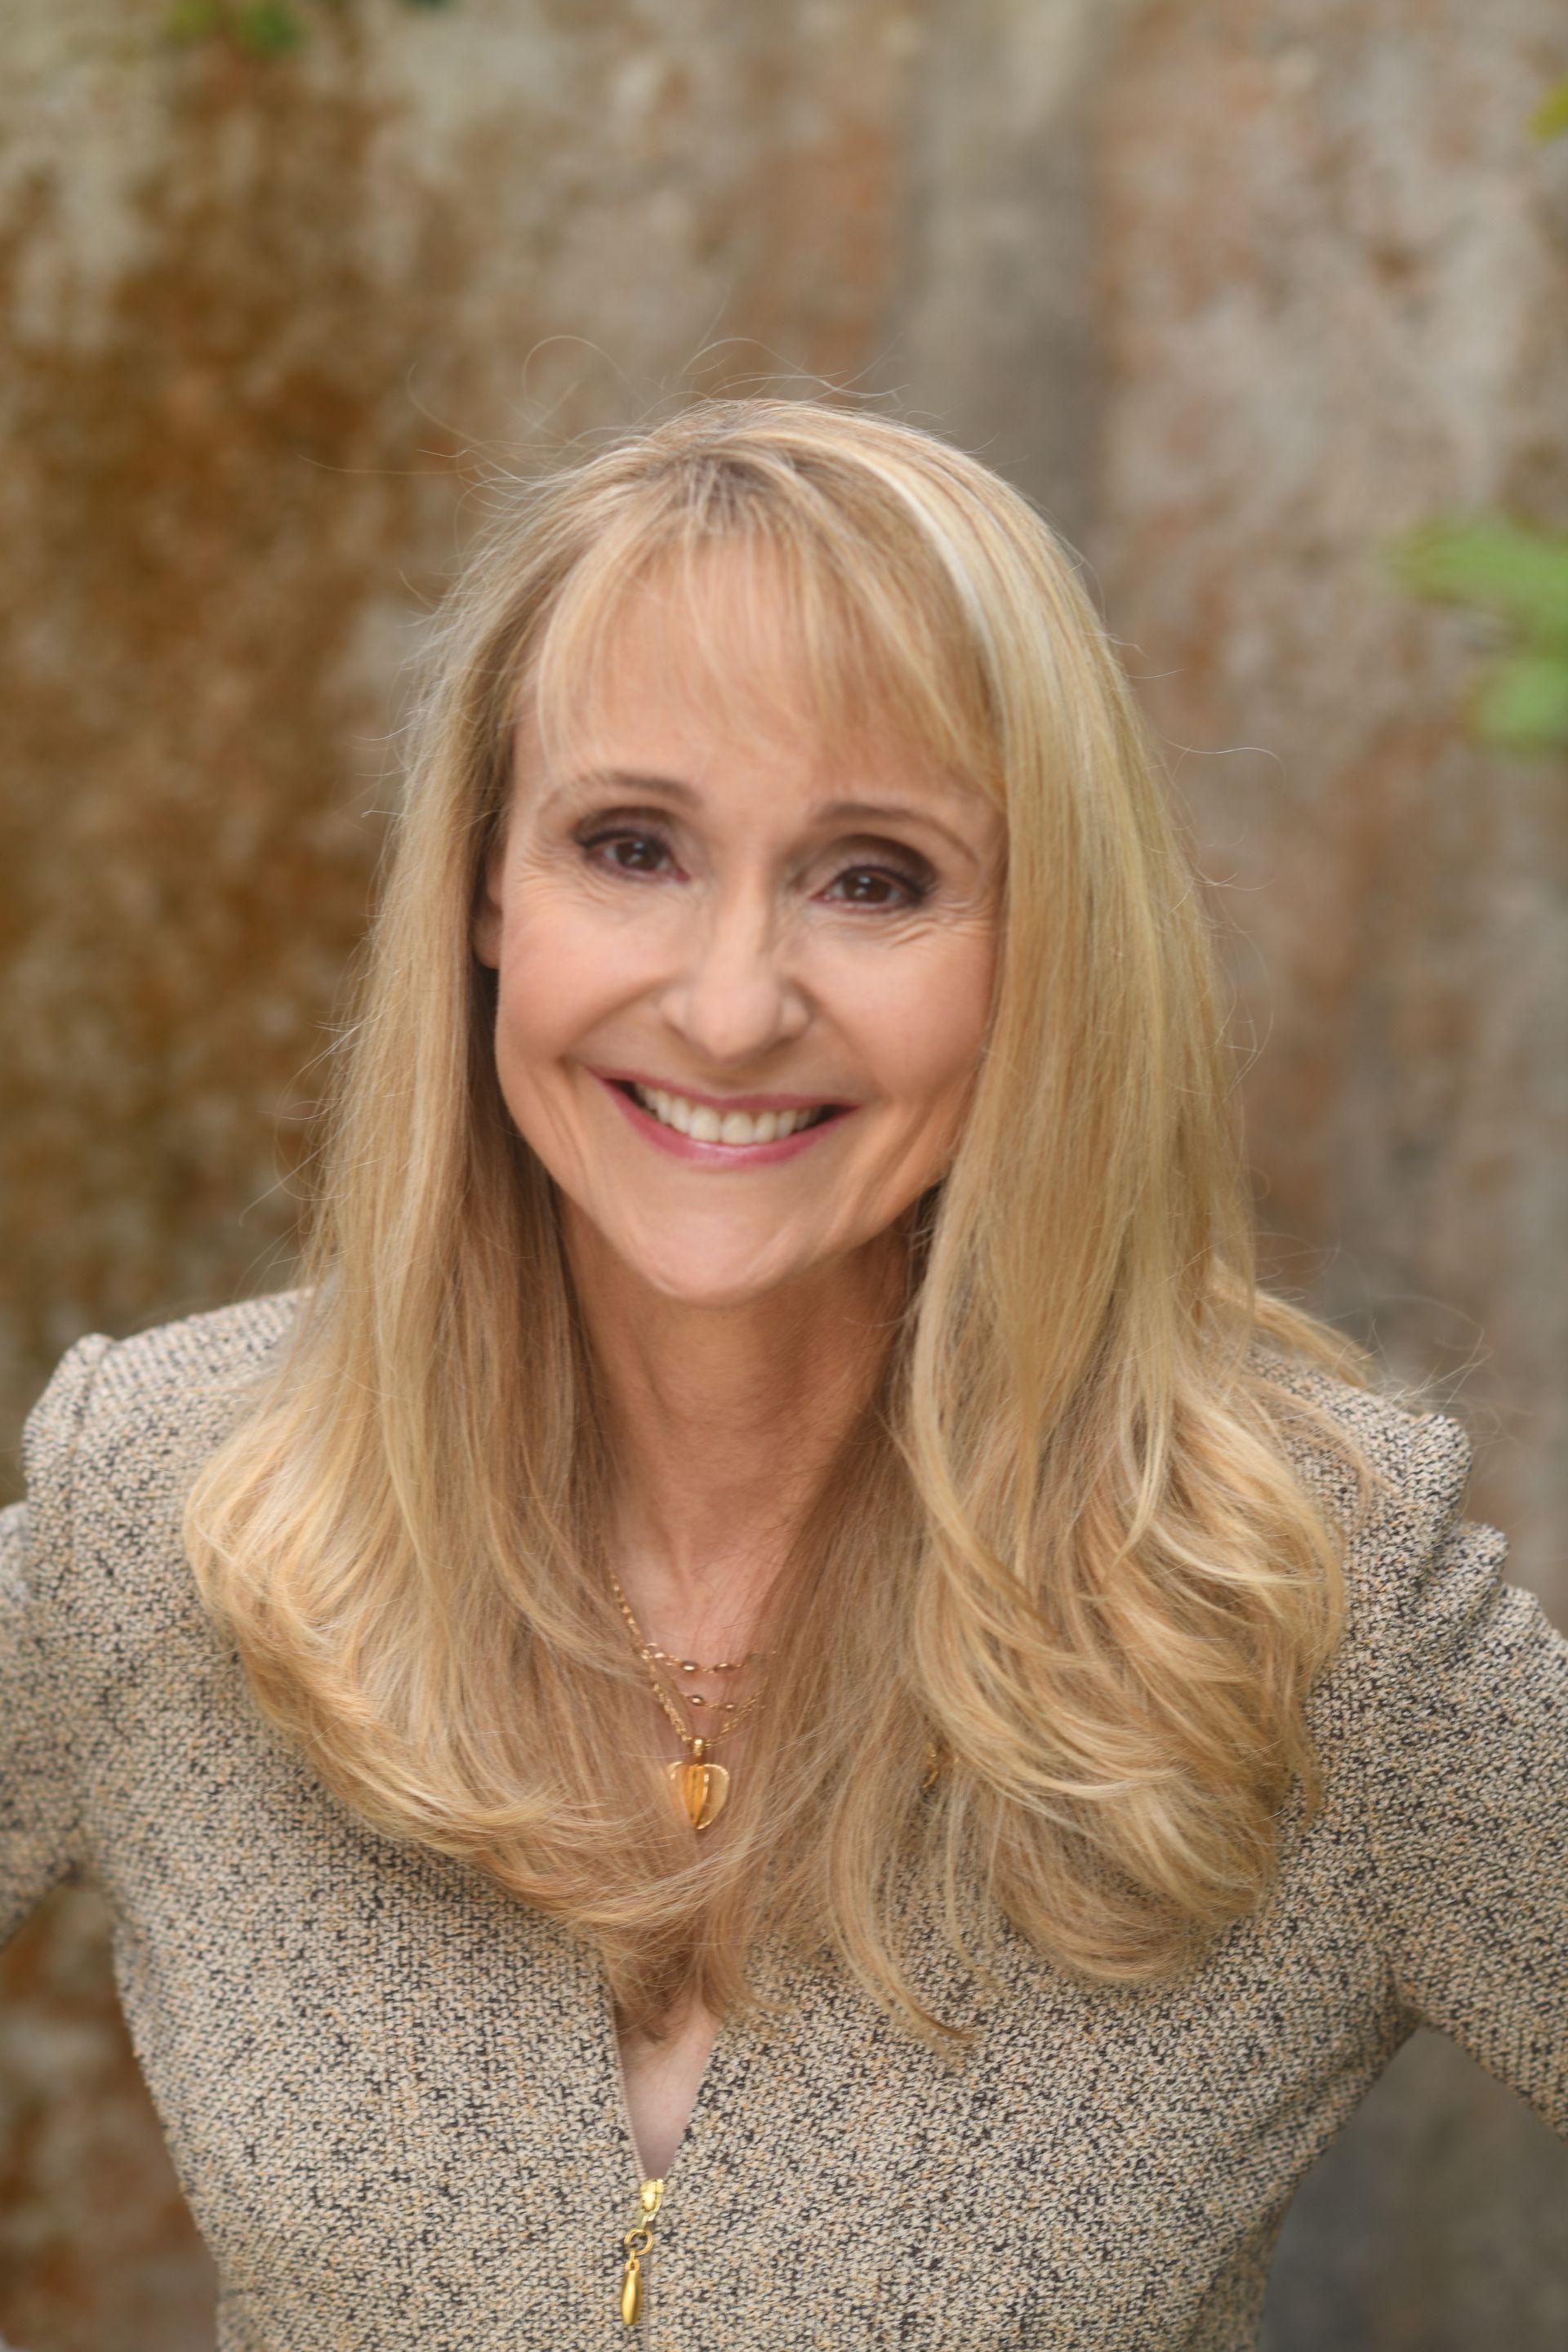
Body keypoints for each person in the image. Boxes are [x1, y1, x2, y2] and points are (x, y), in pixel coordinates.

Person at [2, 399, 1563, 2350]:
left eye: (878, 880)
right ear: (490, 894)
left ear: (1043, 951)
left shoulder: (1295, 1599)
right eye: (631, 846)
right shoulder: (176, 1496)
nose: (732, 1005)